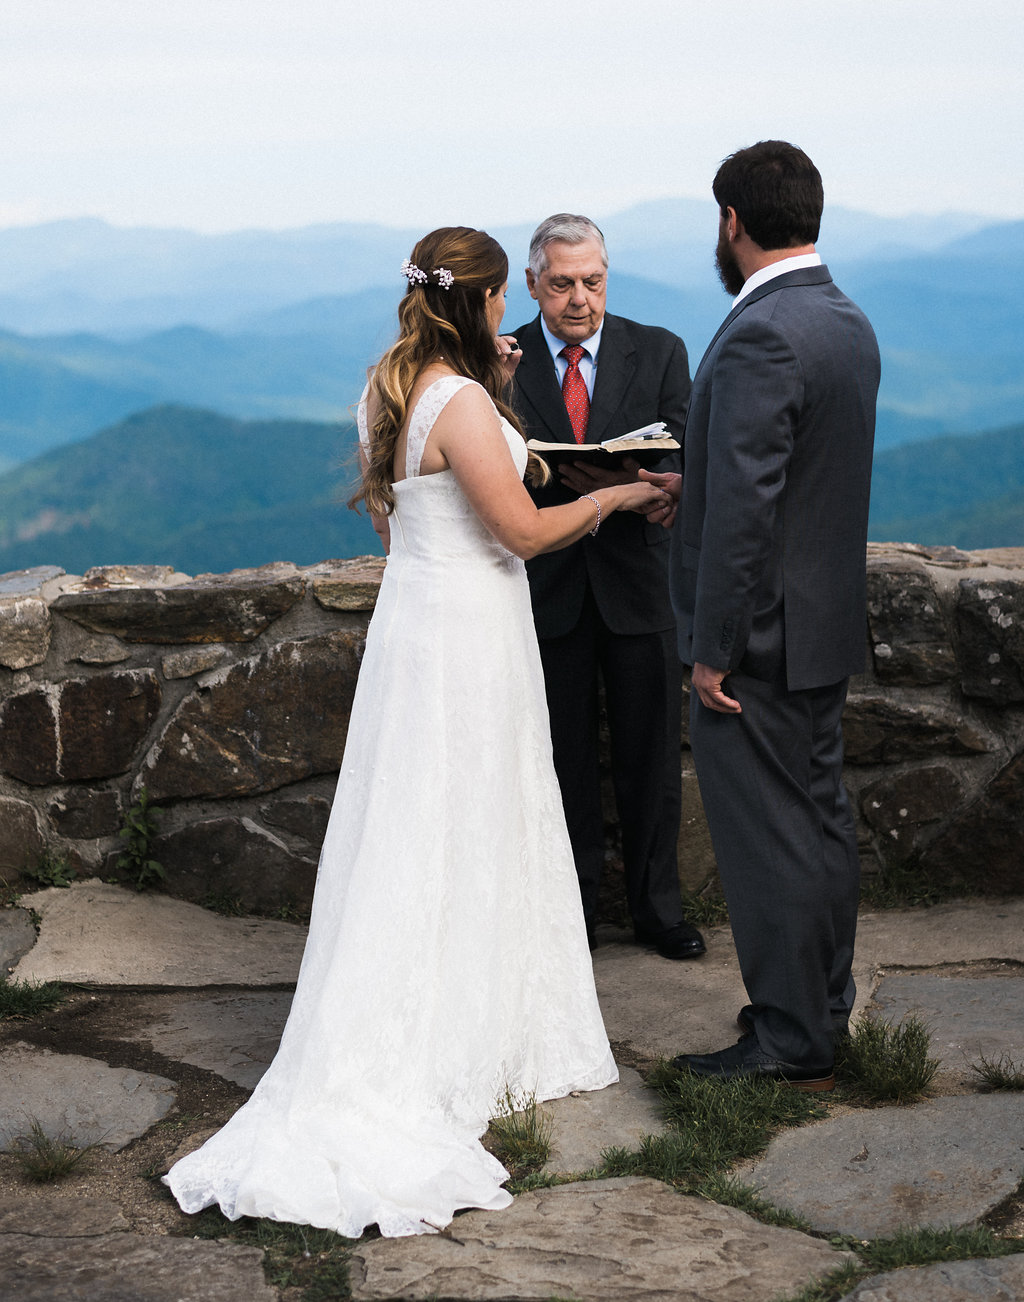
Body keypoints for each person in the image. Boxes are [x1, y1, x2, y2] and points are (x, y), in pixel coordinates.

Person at [164, 226, 669, 1238]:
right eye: (499, 304)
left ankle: (447, 1014)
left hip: (417, 620)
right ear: (485, 300)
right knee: (470, 823)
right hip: (471, 634)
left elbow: (400, 525)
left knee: (417, 830)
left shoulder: (385, 391)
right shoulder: (463, 399)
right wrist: (617, 492)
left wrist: (494, 393)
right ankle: (449, 1043)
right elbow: (521, 530)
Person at [644, 141, 880, 1091]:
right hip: (819, 624)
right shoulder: (844, 320)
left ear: (730, 223)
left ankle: (788, 1038)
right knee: (819, 823)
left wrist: (712, 649)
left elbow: (748, 508)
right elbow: (783, 479)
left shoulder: (759, 333)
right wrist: (686, 486)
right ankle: (818, 1009)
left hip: (760, 639)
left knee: (769, 840)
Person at [512, 213, 705, 959]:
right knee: (559, 761)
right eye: (561, 284)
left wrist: (672, 483)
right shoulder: (503, 358)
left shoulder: (658, 351)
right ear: (533, 284)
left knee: (651, 757)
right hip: (543, 585)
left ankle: (660, 913)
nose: (580, 299)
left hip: (638, 582)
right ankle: (574, 918)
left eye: (592, 281)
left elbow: (689, 447)